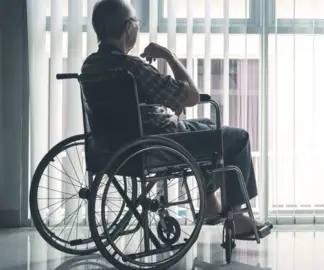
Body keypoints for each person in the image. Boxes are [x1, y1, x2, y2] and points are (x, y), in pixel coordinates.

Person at [82, 0, 265, 236]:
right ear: (128, 28)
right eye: (136, 22)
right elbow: (192, 96)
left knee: (208, 126)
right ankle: (237, 217)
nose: (138, 27)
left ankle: (209, 203)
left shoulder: (90, 66)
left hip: (113, 145)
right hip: (158, 143)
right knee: (238, 138)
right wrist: (168, 56)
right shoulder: (131, 68)